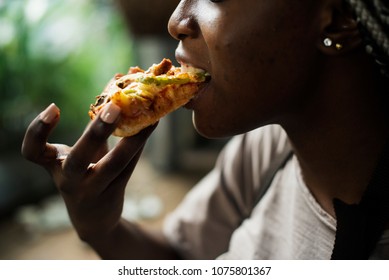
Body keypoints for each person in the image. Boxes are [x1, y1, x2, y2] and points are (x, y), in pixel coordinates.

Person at [21, 0, 389, 259]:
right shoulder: (267, 148)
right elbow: (181, 257)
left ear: (337, 20)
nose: (176, 21)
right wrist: (99, 226)